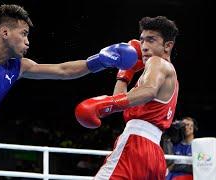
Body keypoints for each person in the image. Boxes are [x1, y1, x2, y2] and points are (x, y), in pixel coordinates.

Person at [0, 4, 138, 180]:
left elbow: (62, 70)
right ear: (5, 32)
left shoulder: (17, 67)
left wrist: (98, 61)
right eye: (24, 33)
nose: (28, 41)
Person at [75, 16, 179, 179]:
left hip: (135, 145)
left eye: (151, 40)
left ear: (167, 45)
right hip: (154, 155)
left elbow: (148, 91)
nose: (144, 46)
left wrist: (104, 104)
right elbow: (121, 100)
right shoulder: (167, 74)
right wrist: (125, 73)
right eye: (142, 40)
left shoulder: (157, 62)